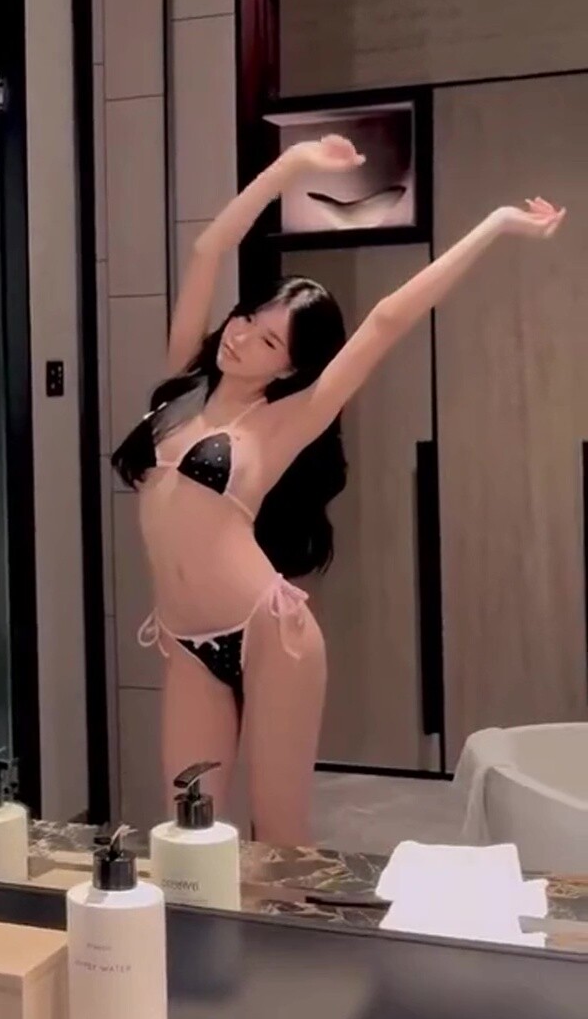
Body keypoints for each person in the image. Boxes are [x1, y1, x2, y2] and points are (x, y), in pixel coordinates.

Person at [112, 134, 565, 845]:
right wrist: (289, 168)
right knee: (187, 827)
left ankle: (285, 924)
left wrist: (496, 224)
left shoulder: (288, 420)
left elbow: (387, 320)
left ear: (290, 369)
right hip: (184, 636)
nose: (241, 338)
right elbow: (208, 248)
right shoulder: (179, 387)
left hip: (268, 632)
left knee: (279, 834)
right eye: (246, 319)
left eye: (268, 342)